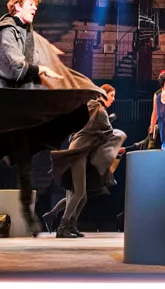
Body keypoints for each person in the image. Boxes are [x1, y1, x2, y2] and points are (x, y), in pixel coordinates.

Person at [0, 0, 103, 249]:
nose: (34, 8)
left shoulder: (28, 34)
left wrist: (53, 67)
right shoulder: (6, 30)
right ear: (16, 6)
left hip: (18, 105)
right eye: (31, 4)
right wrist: (39, 69)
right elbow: (12, 62)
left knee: (25, 164)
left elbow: (38, 55)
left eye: (36, 6)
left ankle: (29, 215)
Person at [48, 83, 126, 238]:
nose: (113, 99)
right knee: (79, 192)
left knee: (80, 195)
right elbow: (109, 132)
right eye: (112, 96)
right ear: (103, 95)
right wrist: (116, 146)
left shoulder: (91, 107)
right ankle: (63, 227)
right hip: (78, 152)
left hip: (80, 151)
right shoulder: (99, 110)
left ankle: (71, 225)